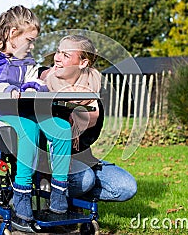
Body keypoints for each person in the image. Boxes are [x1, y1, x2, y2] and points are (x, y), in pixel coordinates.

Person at [0, 5, 72, 226]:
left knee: (62, 128)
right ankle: (21, 195)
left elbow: (34, 79)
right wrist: (3, 90)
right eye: (30, 40)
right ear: (12, 34)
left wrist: (34, 88)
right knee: (29, 129)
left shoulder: (24, 58)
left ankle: (58, 196)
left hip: (24, 112)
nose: (32, 45)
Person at [40, 34, 137, 203]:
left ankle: (69, 196)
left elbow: (87, 140)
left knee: (125, 187)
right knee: (85, 180)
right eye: (58, 52)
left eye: (66, 55)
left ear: (83, 63)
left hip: (81, 159)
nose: (57, 58)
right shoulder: (42, 83)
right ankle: (51, 193)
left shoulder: (94, 92)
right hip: (47, 162)